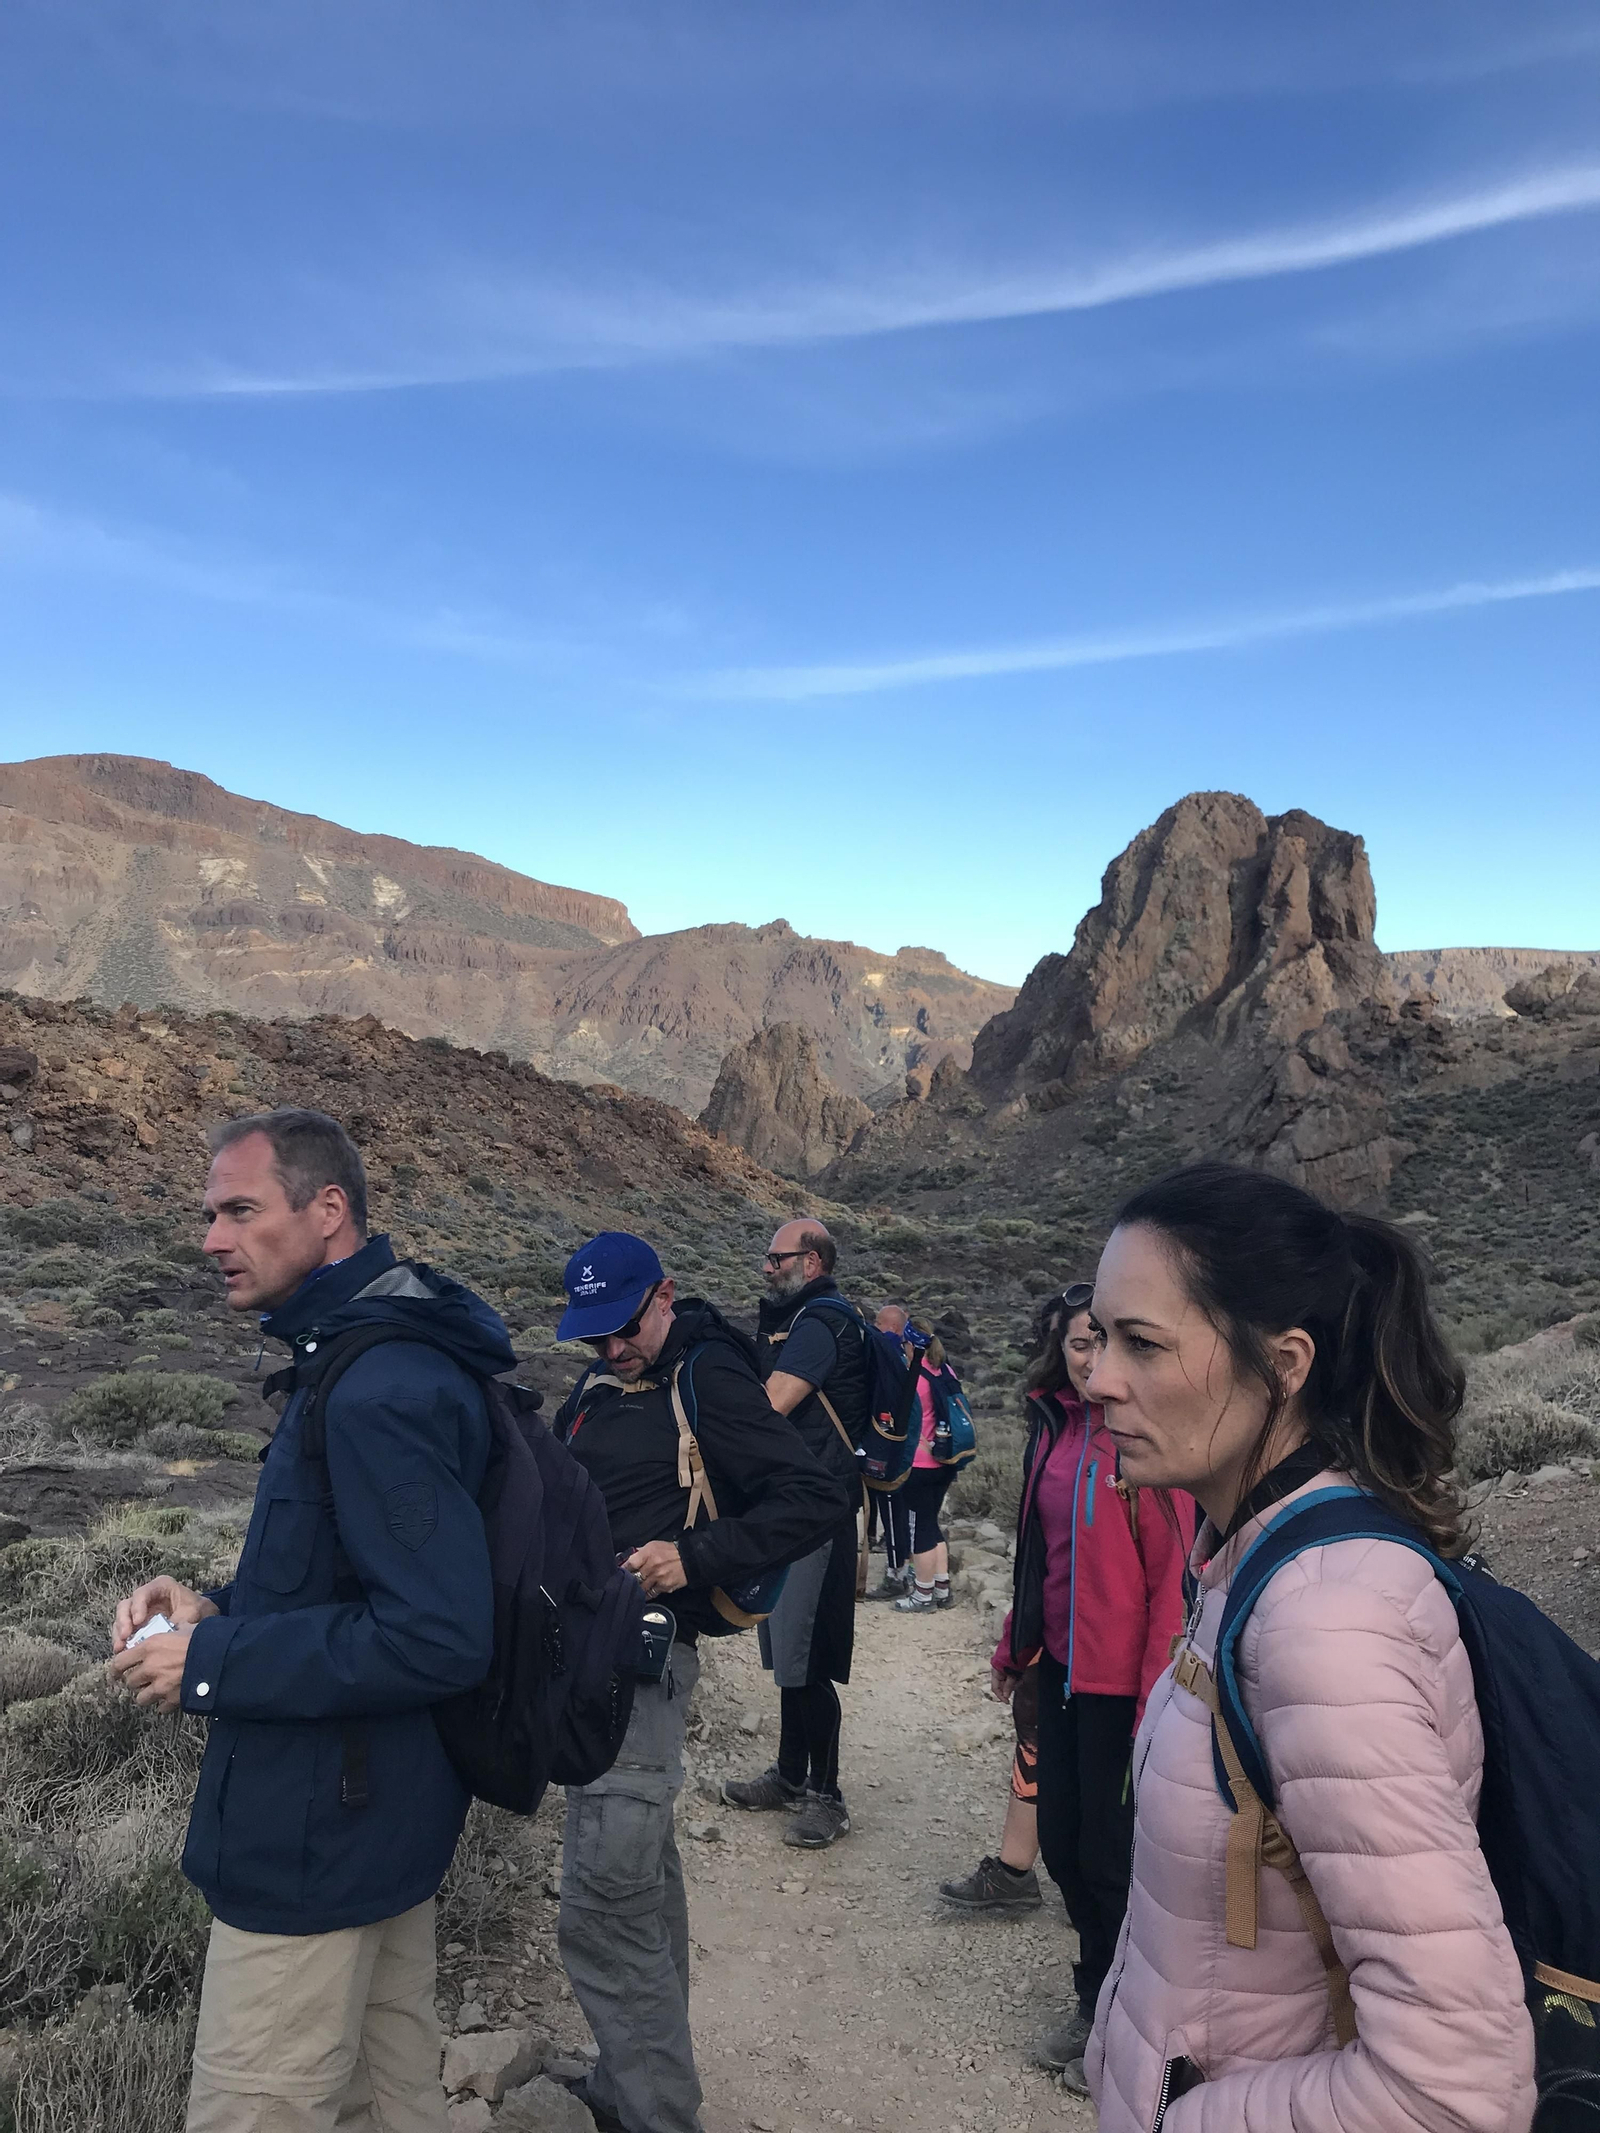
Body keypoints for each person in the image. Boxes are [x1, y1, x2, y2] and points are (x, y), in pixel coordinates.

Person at [1084, 1163, 1536, 2133]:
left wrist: (1183, 2123)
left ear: (1283, 1364)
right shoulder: (1245, 1566)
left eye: (1142, 1344)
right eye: (1099, 1336)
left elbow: (1453, 2090)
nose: (1097, 1379)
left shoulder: (1323, 1627)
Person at [109, 1108, 509, 2133]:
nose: (210, 1239)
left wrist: (213, 1661)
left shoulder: (379, 1385)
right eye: (210, 1214)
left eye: (240, 1210)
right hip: (370, 1829)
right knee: (390, 2101)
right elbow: (346, 1586)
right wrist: (216, 1609)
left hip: (315, 1845)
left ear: (327, 1211)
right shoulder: (352, 1360)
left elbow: (436, 1633)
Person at [552, 1231, 848, 2133]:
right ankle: (630, 2080)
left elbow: (813, 1498)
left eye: (624, 1327)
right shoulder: (607, 1381)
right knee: (642, 1882)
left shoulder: (708, 1376)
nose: (611, 1348)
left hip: (639, 1666)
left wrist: (693, 1556)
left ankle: (654, 2112)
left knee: (604, 1903)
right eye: (594, 1336)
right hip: (588, 1660)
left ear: (665, 1294)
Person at [987, 1282, 1192, 2087]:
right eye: (1080, 1340)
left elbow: (1169, 1580)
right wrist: (1016, 1646)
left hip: (1122, 1691)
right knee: (1067, 1846)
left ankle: (1124, 2025)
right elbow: (1036, 1556)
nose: (1090, 1357)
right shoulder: (1055, 1432)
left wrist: (1153, 1705)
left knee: (1112, 1859)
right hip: (1062, 1672)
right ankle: (1096, 1993)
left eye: (1104, 1340)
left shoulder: (1143, 1442)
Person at [722, 1220, 868, 1848]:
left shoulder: (820, 1321)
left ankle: (826, 1796)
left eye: (775, 1257)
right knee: (787, 1653)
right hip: (792, 1506)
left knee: (806, 1660)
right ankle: (787, 1775)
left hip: (817, 1508)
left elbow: (774, 1400)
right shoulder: (797, 1319)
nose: (766, 1267)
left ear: (810, 1262)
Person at [883, 1317, 963, 1614]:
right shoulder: (945, 1370)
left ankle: (922, 1594)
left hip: (918, 1464)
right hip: (945, 1460)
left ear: (910, 1343)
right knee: (931, 1524)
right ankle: (942, 1588)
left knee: (920, 1530)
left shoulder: (913, 1378)